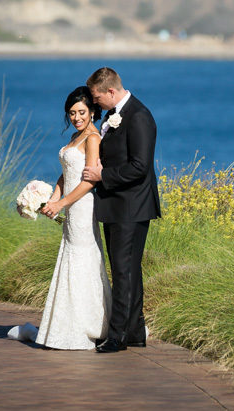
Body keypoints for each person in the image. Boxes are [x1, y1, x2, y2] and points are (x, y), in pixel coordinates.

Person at [81, 67, 160, 353]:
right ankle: (135, 331)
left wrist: (104, 176)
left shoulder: (138, 116)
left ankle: (117, 337)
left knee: (124, 271)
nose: (95, 103)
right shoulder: (115, 115)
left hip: (132, 206)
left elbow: (140, 166)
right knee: (127, 270)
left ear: (111, 91)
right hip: (118, 205)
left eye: (97, 97)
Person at [35, 86, 112, 350]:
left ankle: (89, 324)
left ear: (92, 111)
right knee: (71, 256)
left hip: (82, 206)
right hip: (69, 206)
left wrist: (62, 204)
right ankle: (67, 322)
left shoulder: (92, 139)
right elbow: (66, 174)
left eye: (81, 112)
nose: (76, 117)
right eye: (72, 113)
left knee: (83, 258)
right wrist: (52, 199)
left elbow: (89, 181)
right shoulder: (75, 136)